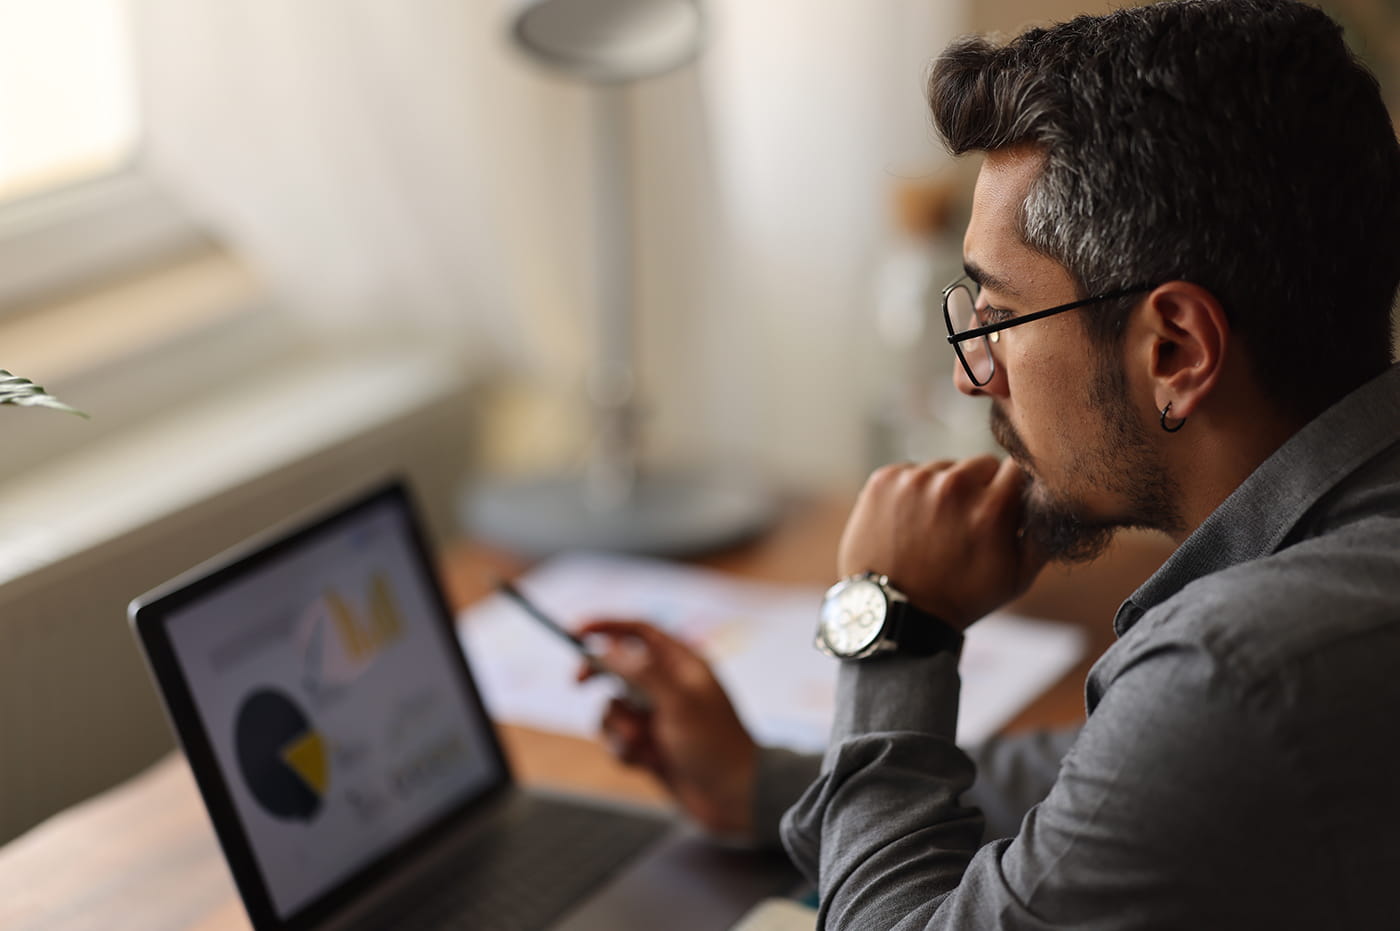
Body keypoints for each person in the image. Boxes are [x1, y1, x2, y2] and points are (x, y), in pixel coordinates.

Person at [581, 0, 1400, 926]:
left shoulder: (1232, 671)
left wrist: (896, 626)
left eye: (1000, 316)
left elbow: (1193, 723)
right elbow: (1116, 782)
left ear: (1175, 349)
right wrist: (768, 784)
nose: (976, 377)